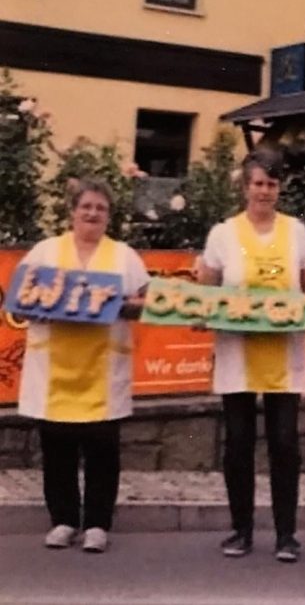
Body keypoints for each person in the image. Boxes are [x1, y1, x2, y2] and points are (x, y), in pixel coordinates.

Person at [198, 149, 305, 563]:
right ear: (245, 186)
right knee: (238, 444)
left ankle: (286, 534)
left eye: (271, 183)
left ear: (279, 187)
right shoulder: (223, 234)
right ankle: (241, 530)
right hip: (237, 353)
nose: (264, 191)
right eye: (257, 183)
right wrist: (200, 313)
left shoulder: (296, 231)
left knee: (285, 443)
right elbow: (207, 288)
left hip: (285, 355)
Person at [17, 178, 149, 553]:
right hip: (55, 367)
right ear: (72, 211)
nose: (92, 214)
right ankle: (62, 520)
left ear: (109, 215)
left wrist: (125, 305)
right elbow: (22, 295)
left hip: (103, 368)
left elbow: (144, 300)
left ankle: (96, 524)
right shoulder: (45, 251)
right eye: (86, 206)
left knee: (102, 449)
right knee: (57, 446)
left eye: (100, 208)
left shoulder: (124, 255)